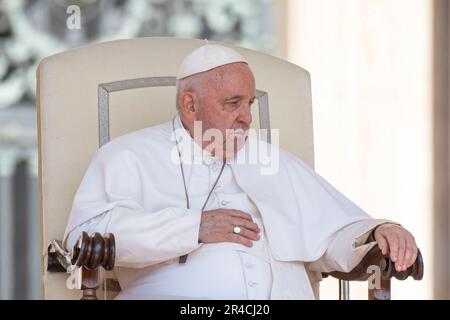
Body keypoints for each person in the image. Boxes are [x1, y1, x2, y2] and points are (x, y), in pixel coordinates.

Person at [63, 44, 418, 299]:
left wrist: (381, 230)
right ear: (190, 105)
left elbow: (334, 231)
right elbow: (85, 237)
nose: (246, 116)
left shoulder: (274, 160)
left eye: (248, 104)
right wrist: (193, 226)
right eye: (232, 104)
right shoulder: (128, 156)